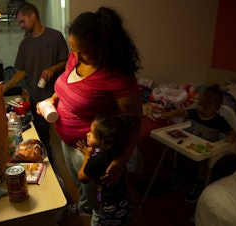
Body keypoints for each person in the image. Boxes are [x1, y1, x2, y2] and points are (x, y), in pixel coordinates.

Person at [36, 7, 142, 226]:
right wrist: (52, 100)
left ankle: (93, 213)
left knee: (96, 198)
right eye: (74, 51)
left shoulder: (116, 77)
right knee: (81, 185)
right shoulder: (75, 58)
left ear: (103, 48)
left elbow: (134, 121)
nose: (76, 57)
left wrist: (121, 161)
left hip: (91, 148)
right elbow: (66, 85)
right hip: (68, 140)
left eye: (84, 52)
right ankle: (85, 206)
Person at [2, 2, 69, 165]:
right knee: (41, 136)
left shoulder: (55, 36)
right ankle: (46, 165)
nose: (21, 26)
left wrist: (52, 68)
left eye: (22, 21)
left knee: (60, 136)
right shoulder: (25, 44)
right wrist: (4, 88)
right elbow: (21, 72)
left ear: (33, 16)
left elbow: (67, 62)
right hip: (35, 97)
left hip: (55, 96)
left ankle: (56, 166)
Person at [162, 84, 236, 202]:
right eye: (199, 105)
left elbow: (230, 131)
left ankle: (198, 184)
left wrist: (231, 137)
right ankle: (178, 174)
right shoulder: (194, 113)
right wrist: (172, 114)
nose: (201, 109)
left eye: (206, 108)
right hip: (189, 144)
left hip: (205, 149)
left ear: (216, 108)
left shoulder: (219, 120)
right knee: (178, 152)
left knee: (203, 163)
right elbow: (183, 113)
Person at [77, 114, 135, 226]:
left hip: (111, 207)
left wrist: (87, 156)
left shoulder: (98, 160)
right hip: (125, 200)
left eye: (93, 134)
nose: (88, 134)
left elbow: (82, 178)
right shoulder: (119, 151)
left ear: (106, 145)